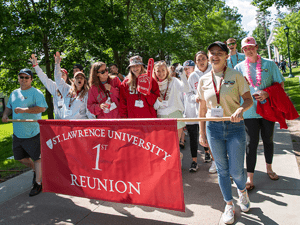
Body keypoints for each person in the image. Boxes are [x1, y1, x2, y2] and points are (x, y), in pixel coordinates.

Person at [198, 41, 253, 224]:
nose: (215, 55)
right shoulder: (204, 80)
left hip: (235, 127)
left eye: (219, 52)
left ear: (226, 56)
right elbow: (202, 109)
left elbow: (248, 100)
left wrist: (240, 110)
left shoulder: (236, 75)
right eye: (212, 52)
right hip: (213, 128)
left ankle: (242, 191)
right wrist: (201, 133)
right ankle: (228, 205)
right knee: (222, 171)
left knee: (236, 171)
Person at [235, 37, 285, 192]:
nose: (249, 50)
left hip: (268, 109)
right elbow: (234, 90)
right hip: (249, 111)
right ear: (242, 50)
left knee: (268, 139)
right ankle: (250, 177)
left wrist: (267, 93)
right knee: (251, 143)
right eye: (245, 48)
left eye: (251, 47)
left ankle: (269, 168)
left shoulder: (270, 64)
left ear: (256, 47)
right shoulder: (238, 67)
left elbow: (280, 84)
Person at [2, 68, 48, 197]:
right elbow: (9, 107)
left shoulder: (36, 93)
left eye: (26, 77)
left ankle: (38, 183)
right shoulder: (14, 93)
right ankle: (36, 171)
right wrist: (5, 114)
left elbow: (42, 108)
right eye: (21, 77)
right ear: (18, 79)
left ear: (31, 79)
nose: (23, 80)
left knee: (37, 158)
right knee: (20, 158)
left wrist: (24, 110)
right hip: (18, 132)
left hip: (33, 132)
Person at [153, 60, 189, 163]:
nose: (161, 73)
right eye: (158, 71)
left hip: (175, 114)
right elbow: (154, 106)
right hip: (161, 117)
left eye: (163, 70)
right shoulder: (153, 84)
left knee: (174, 145)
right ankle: (168, 166)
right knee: (163, 146)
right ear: (155, 72)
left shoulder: (173, 80)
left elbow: (186, 89)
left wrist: (182, 74)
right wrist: (159, 102)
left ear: (167, 70)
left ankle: (177, 166)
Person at [185, 51, 216, 173]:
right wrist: (195, 98)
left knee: (212, 138)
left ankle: (215, 162)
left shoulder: (213, 71)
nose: (201, 61)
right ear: (195, 62)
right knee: (200, 136)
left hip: (213, 111)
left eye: (203, 58)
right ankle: (198, 161)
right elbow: (188, 94)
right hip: (199, 111)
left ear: (207, 59)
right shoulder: (193, 76)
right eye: (198, 60)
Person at [54, 52, 95, 119]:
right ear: (74, 80)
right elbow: (58, 79)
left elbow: (89, 112)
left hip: (79, 125)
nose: (79, 79)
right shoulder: (67, 89)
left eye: (81, 78)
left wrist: (93, 125)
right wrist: (57, 64)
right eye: (77, 78)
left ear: (84, 81)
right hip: (67, 124)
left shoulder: (87, 94)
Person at [30, 54, 72, 119]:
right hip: (58, 121)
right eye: (59, 74)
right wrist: (36, 66)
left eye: (63, 74)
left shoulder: (71, 88)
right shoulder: (54, 87)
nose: (61, 76)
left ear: (67, 76)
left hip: (70, 120)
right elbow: (44, 78)